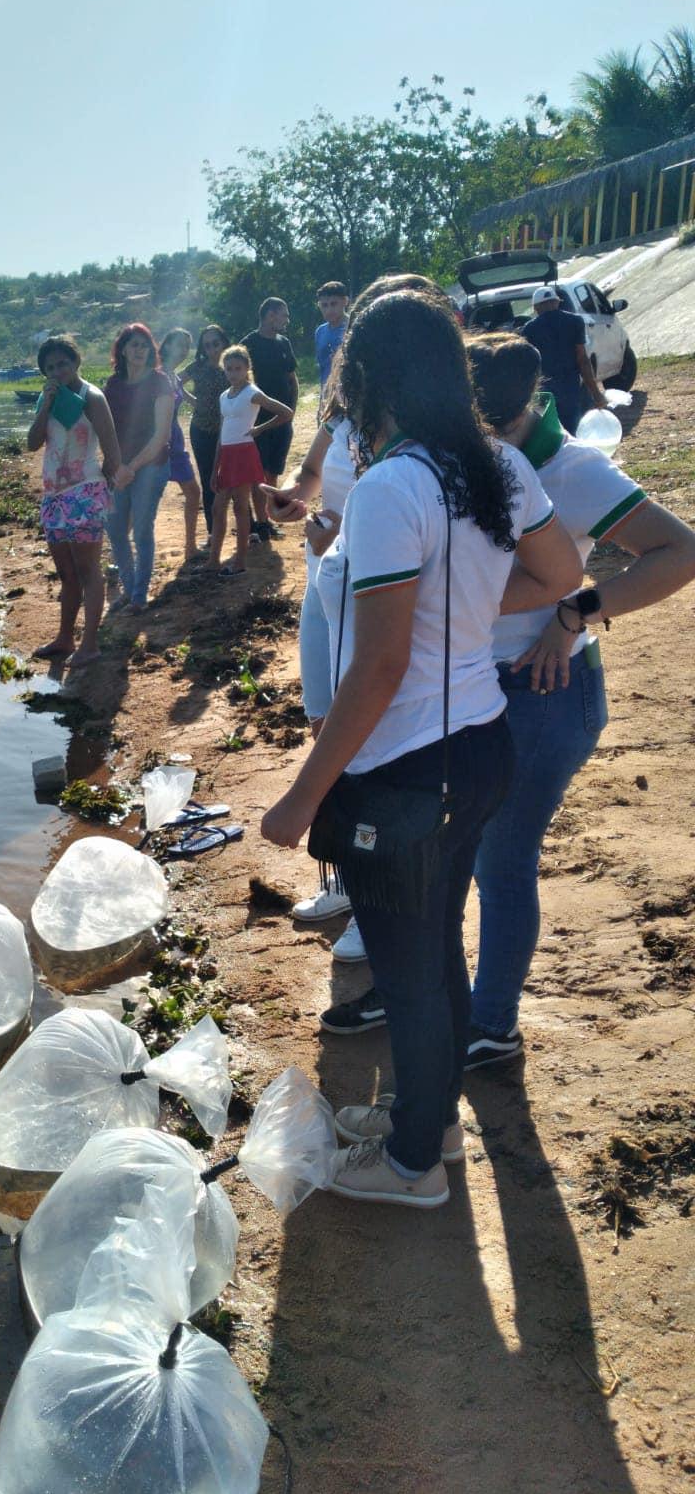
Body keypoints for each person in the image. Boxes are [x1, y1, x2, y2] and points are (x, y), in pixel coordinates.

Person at [259, 292, 580, 1210]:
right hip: (479, 746)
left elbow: (380, 669)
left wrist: (299, 798)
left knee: (410, 975)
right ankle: (429, 1126)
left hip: (406, 771)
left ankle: (410, 1170)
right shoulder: (501, 464)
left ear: (364, 380)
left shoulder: (396, 485)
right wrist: (472, 614)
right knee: (436, 949)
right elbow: (562, 575)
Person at [463, 331, 695, 1067]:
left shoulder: (572, 471)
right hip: (483, 686)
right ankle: (469, 1005)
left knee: (502, 863)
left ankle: (491, 1026)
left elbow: (680, 550)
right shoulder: (466, 463)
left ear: (526, 406)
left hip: (546, 690)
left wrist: (577, 614)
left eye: (487, 420)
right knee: (477, 856)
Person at [268, 275, 457, 977]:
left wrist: (339, 532)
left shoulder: (417, 425)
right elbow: (313, 474)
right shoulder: (342, 411)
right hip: (326, 584)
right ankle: (346, 880)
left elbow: (400, 524)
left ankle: (371, 896)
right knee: (325, 724)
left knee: (366, 733)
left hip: (366, 587)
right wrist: (294, 498)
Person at [25, 334, 125, 667]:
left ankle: (90, 644)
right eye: (50, 367)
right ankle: (65, 638)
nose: (58, 371)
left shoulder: (91, 396)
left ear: (76, 362)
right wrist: (47, 404)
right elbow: (32, 443)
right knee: (66, 574)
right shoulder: (47, 398)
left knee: (88, 572)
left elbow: (111, 450)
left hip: (85, 492)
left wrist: (110, 488)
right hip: (54, 496)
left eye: (63, 363)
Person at [103, 323, 175, 613]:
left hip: (151, 464)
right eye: (133, 344)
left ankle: (138, 596)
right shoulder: (113, 384)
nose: (139, 350)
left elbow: (161, 437)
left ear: (151, 350)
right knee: (115, 528)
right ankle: (130, 584)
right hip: (118, 466)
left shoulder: (160, 383)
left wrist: (129, 467)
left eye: (144, 345)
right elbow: (105, 430)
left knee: (142, 529)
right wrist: (114, 465)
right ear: (122, 349)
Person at [208, 345, 293, 577]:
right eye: (228, 369)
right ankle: (213, 560)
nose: (233, 373)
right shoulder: (224, 396)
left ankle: (240, 562)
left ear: (247, 368)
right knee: (218, 508)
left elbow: (286, 412)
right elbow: (223, 431)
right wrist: (215, 467)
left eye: (237, 368)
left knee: (240, 507)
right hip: (227, 454)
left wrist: (259, 429)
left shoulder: (251, 392)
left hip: (244, 453)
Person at [243, 297, 299, 540]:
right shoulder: (249, 344)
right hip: (258, 421)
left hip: (282, 420)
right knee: (257, 473)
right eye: (284, 315)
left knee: (273, 470)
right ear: (270, 315)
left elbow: (292, 378)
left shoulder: (284, 343)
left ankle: (267, 516)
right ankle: (262, 523)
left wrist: (291, 409)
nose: (287, 320)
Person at [520, 284, 608, 434]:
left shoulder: (529, 329)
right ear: (557, 302)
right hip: (571, 389)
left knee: (548, 432)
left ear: (535, 308)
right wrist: (596, 394)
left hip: (544, 392)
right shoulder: (575, 322)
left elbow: (527, 367)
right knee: (575, 432)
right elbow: (583, 360)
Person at [158, 328, 204, 561]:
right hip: (156, 443)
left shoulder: (173, 375)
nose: (184, 350)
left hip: (174, 442)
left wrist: (212, 406)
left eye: (187, 346)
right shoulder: (155, 374)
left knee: (193, 492)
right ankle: (118, 555)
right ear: (166, 345)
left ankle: (190, 546)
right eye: (179, 345)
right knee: (143, 500)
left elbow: (187, 398)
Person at [181, 324, 230, 536]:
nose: (212, 349)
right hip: (201, 430)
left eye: (216, 344)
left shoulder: (232, 364)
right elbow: (175, 381)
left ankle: (250, 528)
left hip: (229, 431)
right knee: (209, 479)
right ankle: (212, 532)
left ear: (224, 343)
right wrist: (192, 401)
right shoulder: (198, 366)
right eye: (207, 345)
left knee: (236, 478)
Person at [313, 281, 349, 398]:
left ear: (345, 302)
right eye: (324, 305)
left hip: (351, 396)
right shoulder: (320, 332)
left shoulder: (354, 327)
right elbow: (323, 367)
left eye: (333, 304)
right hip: (327, 397)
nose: (329, 310)